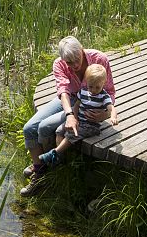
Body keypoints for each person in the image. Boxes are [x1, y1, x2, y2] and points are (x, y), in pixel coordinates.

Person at [21, 36, 117, 194]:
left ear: (82, 49)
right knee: (29, 128)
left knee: (45, 127)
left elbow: (110, 91)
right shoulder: (59, 64)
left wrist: (105, 114)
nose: (75, 65)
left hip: (87, 104)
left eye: (77, 59)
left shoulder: (99, 59)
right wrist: (70, 114)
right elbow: (63, 91)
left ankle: (42, 170)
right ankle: (40, 167)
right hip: (69, 98)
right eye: (69, 62)